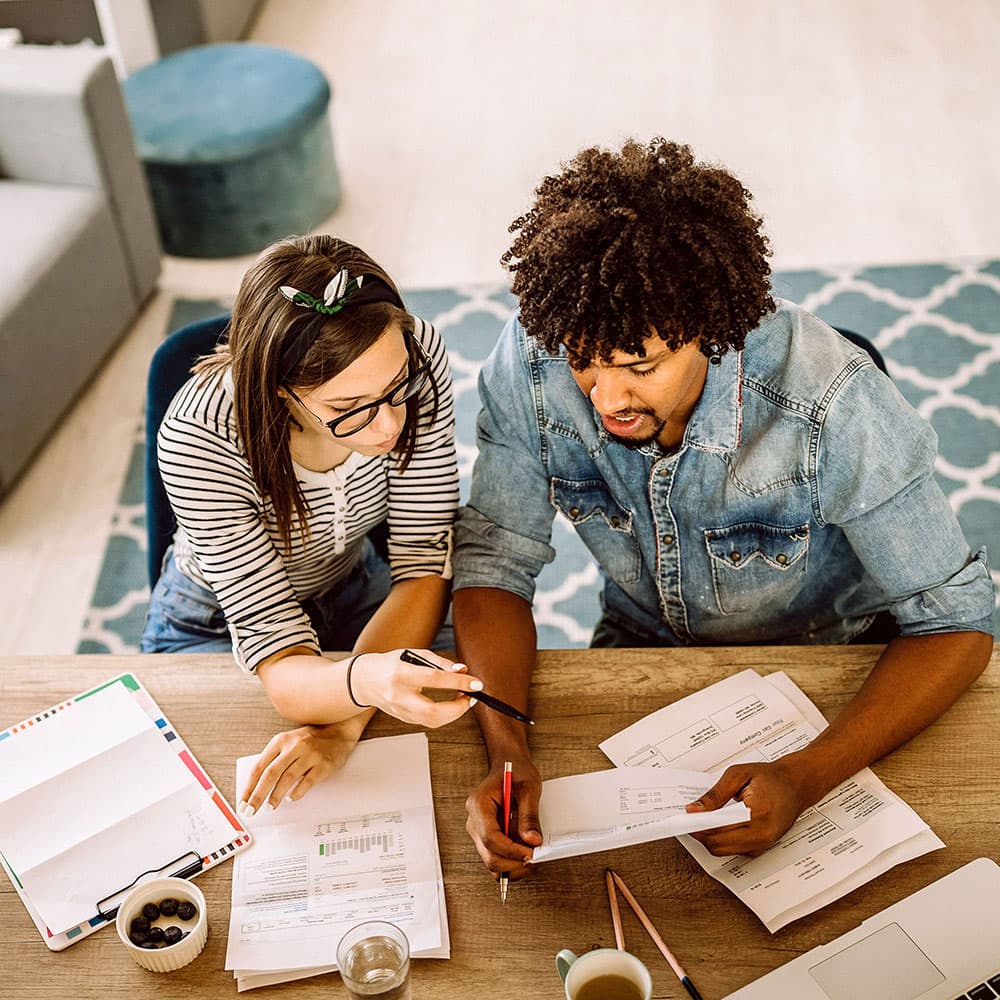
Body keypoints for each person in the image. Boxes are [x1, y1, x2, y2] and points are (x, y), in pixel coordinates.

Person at [452, 138, 995, 882]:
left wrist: (806, 776)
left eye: (640, 367)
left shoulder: (832, 400)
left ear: (712, 332)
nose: (606, 399)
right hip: (638, 640)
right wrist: (509, 756)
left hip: (829, 658)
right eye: (585, 359)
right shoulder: (531, 357)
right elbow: (494, 564)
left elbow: (959, 622)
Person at [141, 235, 481, 813]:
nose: (389, 425)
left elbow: (424, 563)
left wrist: (342, 727)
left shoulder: (416, 350)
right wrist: (369, 683)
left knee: (466, 738)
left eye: (396, 390)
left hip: (356, 584)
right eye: (350, 409)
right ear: (280, 391)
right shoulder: (199, 435)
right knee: (194, 799)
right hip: (213, 619)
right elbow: (279, 658)